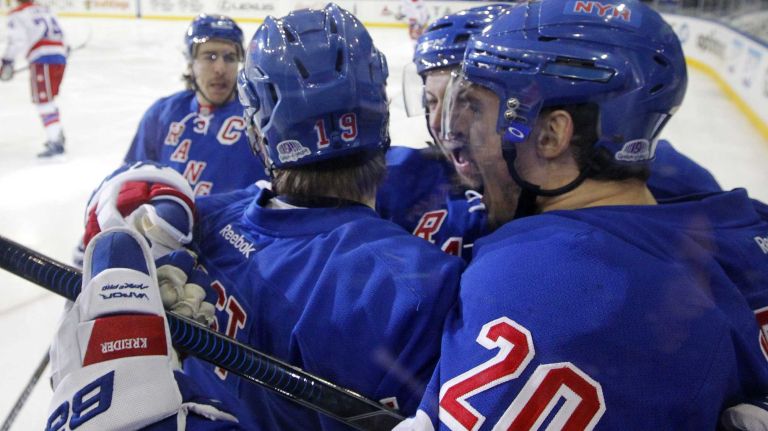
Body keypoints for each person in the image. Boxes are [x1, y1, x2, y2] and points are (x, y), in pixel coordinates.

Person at [81, 4, 463, 430]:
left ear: (258, 135)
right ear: (382, 115)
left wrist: (131, 202)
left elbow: (111, 218)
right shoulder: (416, 288)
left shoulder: (203, 224)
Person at [394, 0, 768, 428]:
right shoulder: (741, 222)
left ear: (551, 135)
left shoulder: (538, 276)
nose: (456, 130)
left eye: (476, 109)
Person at [385, 4, 721, 262]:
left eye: (471, 105)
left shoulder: (649, 180)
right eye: (431, 101)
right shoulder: (402, 178)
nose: (448, 126)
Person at [124, 14, 267, 196]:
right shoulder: (161, 114)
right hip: (171, 223)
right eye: (210, 56)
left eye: (230, 57)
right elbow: (132, 180)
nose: (220, 69)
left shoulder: (261, 118)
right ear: (191, 64)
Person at [1, 0, 68, 158]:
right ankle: (57, 131)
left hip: (43, 58)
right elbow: (61, 34)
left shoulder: (17, 14)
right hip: (60, 56)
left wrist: (7, 62)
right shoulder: (45, 9)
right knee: (48, 98)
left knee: (43, 100)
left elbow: (16, 41)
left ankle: (55, 139)